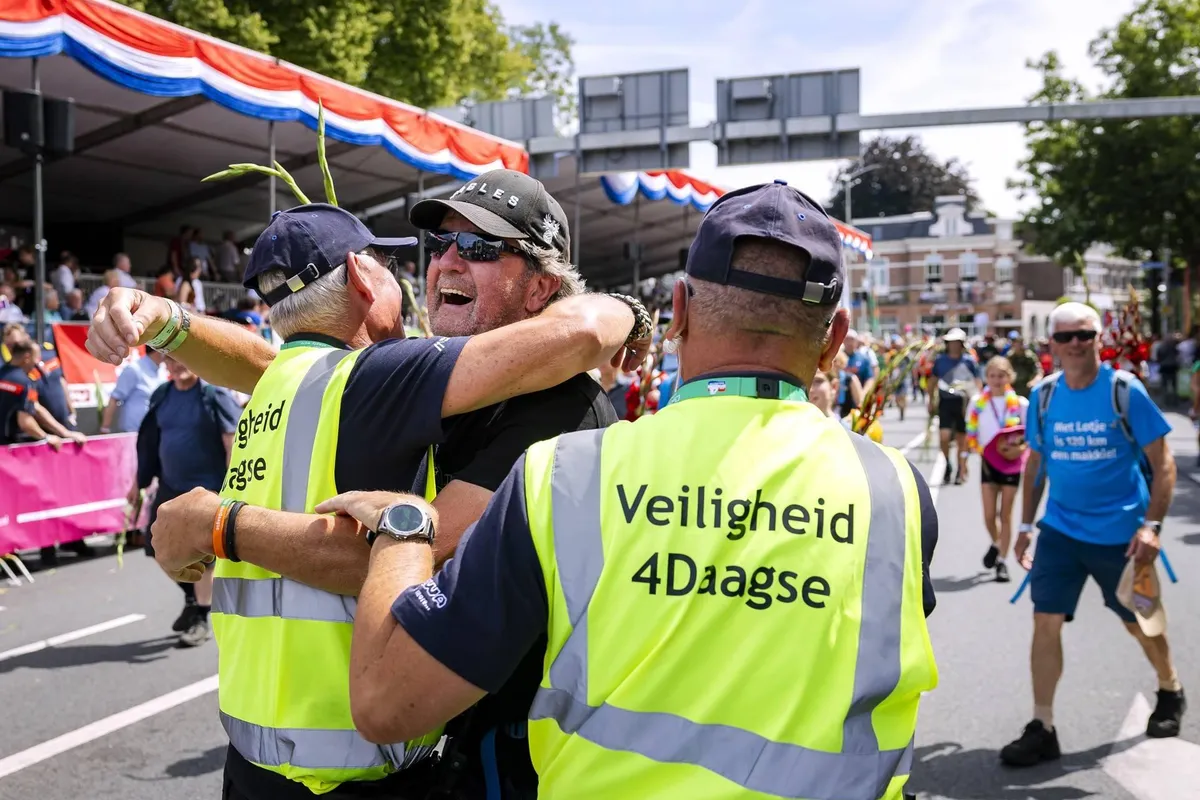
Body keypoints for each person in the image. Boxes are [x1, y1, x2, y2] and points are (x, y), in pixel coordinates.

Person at [322, 181, 940, 800]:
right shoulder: (899, 493)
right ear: (836, 339)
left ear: (679, 311)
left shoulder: (562, 475)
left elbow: (386, 702)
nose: (449, 260)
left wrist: (404, 527)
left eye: (478, 246)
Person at [87, 189, 649, 800]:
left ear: (541, 290)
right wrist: (160, 316)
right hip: (353, 760)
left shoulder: (561, 405)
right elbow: (275, 363)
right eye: (441, 245)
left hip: (499, 751)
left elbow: (420, 555)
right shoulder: (397, 373)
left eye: (480, 246)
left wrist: (217, 525)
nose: (446, 263)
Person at [1002, 302, 1183, 767]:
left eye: (1085, 334)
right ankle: (1043, 725)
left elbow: (1164, 464)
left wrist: (1152, 527)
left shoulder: (1125, 392)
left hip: (1123, 536)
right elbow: (1036, 463)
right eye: (1066, 337)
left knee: (1139, 622)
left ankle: (1170, 687)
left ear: (1099, 339)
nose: (1076, 344)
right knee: (1045, 621)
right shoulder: (1043, 397)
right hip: (1061, 531)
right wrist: (1025, 526)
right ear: (1053, 346)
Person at [133, 357, 241, 645]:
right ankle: (194, 600)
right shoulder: (162, 395)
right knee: (156, 547)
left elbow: (232, 441)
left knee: (204, 559)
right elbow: (150, 443)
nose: (176, 364)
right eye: (169, 359)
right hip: (170, 487)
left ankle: (201, 617)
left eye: (181, 358)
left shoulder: (213, 394)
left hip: (207, 490)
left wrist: (229, 490)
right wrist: (138, 483)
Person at [965, 356, 1028, 583]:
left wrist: (1019, 449)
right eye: (992, 376)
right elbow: (970, 432)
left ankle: (1002, 560)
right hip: (988, 462)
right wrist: (964, 459)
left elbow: (1029, 436)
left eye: (1001, 376)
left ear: (1009, 377)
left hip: (1011, 462)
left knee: (1006, 514)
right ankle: (995, 543)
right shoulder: (977, 403)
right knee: (989, 515)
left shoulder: (1020, 404)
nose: (996, 380)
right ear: (986, 378)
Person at [931, 328, 981, 486]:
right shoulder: (940, 360)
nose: (953, 345)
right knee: (944, 437)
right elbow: (933, 379)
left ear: (961, 344)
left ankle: (961, 468)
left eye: (956, 343)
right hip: (946, 402)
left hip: (964, 404)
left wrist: (976, 402)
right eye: (950, 343)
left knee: (962, 439)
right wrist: (930, 400)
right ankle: (947, 464)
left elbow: (977, 381)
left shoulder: (969, 361)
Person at [101, 349, 167, 434]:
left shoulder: (162, 372)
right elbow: (114, 398)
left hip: (155, 432)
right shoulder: (134, 369)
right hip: (133, 433)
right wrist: (105, 427)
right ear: (158, 350)